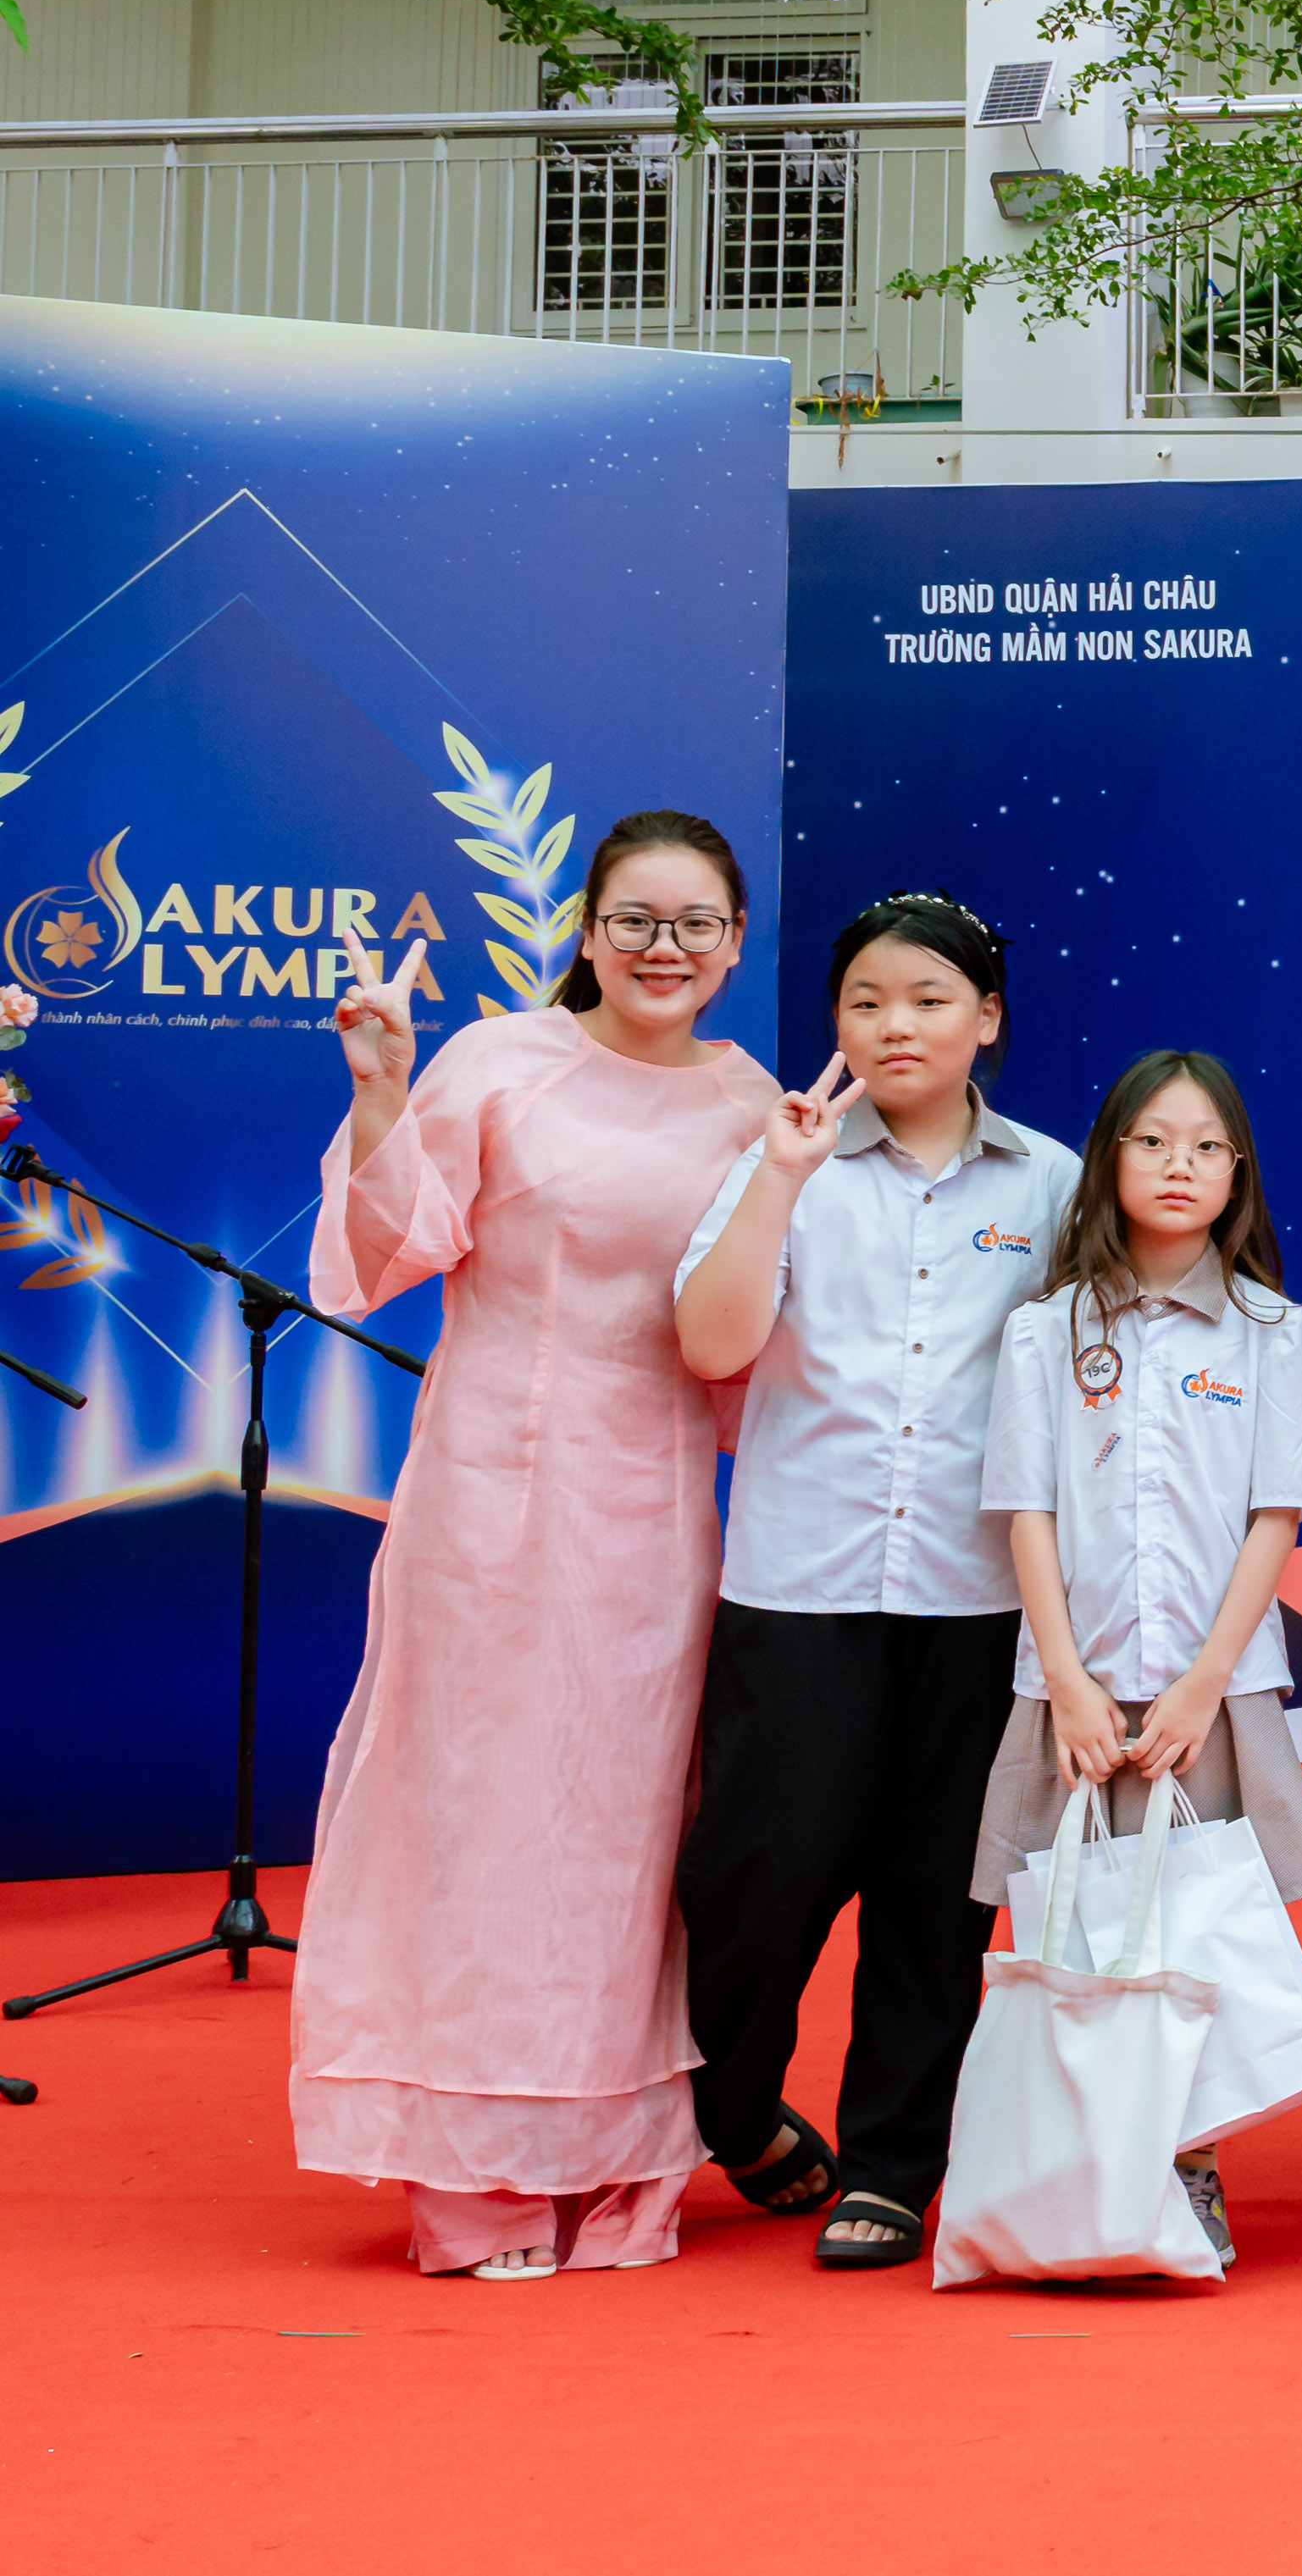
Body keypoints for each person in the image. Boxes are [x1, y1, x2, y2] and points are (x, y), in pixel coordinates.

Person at [302, 813, 782, 2279]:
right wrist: (382, 1091)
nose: (663, 948)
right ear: (587, 930)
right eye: (635, 919)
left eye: (695, 924)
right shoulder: (500, 1060)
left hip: (656, 1509)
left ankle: (615, 2165)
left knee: (625, 1833)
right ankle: (479, 2179)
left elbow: (749, 1337)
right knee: (483, 1813)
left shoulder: (752, 1103)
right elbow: (388, 1254)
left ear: (734, 943)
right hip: (492, 1491)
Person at [671, 888, 1079, 2271]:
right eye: (864, 1002)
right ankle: (732, 2110)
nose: (895, 1024)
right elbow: (712, 1345)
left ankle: (895, 2165)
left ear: (987, 1019)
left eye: (927, 998)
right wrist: (780, 1178)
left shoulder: (1051, 1183)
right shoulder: (784, 1158)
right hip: (801, 1584)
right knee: (753, 1880)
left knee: (934, 1897)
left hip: (976, 1597)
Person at [968, 1048, 1302, 2276]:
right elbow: (1025, 1510)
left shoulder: (1278, 1333)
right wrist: (1067, 1680)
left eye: (1206, 1146)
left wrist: (1202, 1682)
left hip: (1207, 1694)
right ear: (1109, 1159)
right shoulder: (1045, 1330)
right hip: (1072, 1692)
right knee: (1073, 1934)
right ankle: (1078, 2176)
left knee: (1192, 1935)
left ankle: (1187, 2169)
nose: (1179, 1165)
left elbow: (1277, 1516)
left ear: (1238, 1173)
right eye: (1152, 1141)